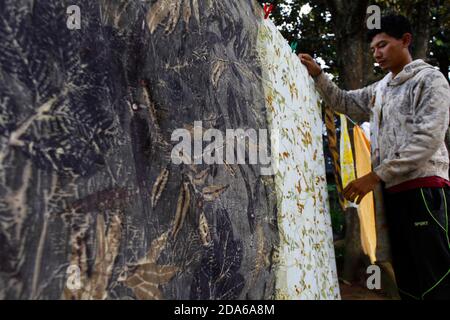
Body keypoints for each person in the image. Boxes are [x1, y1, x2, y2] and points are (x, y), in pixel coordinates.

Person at [299, 14, 450, 300]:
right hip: (392, 195)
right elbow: (342, 101)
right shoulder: (380, 90)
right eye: (372, 49)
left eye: (382, 45)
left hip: (424, 190)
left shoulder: (430, 80)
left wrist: (374, 176)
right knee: (407, 275)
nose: (377, 53)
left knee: (435, 275)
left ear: (405, 40)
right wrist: (318, 75)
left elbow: (427, 139)